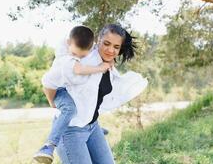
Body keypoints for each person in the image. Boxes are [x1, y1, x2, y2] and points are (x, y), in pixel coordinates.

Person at [55, 24, 148, 164]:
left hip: (92, 126)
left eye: (116, 47)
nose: (110, 50)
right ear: (98, 40)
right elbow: (63, 50)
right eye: (106, 43)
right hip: (70, 129)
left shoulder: (107, 66)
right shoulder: (82, 57)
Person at [33, 26, 113, 164]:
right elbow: (51, 81)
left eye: (82, 56)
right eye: (76, 54)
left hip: (90, 124)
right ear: (69, 43)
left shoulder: (86, 50)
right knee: (70, 109)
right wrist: (52, 101)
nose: (78, 58)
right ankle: (48, 146)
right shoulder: (67, 60)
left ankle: (89, 125)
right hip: (59, 92)